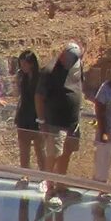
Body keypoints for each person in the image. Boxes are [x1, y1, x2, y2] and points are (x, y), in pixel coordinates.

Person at [38, 42, 86, 211]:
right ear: (62, 55)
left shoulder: (78, 65)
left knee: (67, 153)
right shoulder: (49, 71)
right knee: (54, 154)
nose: (73, 61)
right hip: (55, 122)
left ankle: (61, 186)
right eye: (71, 58)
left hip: (72, 121)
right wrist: (42, 121)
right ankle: (49, 190)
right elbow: (39, 97)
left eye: (76, 58)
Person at [12, 50, 41, 175]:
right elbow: (18, 94)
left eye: (25, 64)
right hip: (23, 115)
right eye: (21, 64)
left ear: (32, 63)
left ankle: (44, 177)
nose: (22, 67)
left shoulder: (40, 77)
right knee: (24, 149)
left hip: (37, 116)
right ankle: (24, 175)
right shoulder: (21, 76)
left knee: (40, 149)